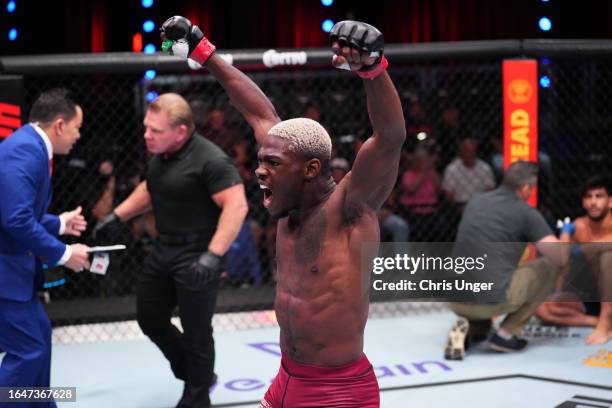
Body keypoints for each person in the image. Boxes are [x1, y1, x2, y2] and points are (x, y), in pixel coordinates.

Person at [160, 16, 405, 407]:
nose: (259, 170)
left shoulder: (350, 210)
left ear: (310, 170)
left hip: (338, 391)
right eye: (261, 160)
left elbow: (390, 139)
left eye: (272, 163)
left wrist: (373, 70)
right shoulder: (289, 190)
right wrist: (205, 53)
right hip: (286, 377)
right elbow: (259, 114)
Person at [93, 93, 248, 408]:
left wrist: (213, 254)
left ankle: (196, 396)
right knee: (150, 318)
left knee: (196, 331)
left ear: (180, 131)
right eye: (146, 128)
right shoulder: (159, 156)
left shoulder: (210, 159)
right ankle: (197, 374)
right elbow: (150, 188)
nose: (147, 135)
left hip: (198, 253)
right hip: (165, 249)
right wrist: (117, 215)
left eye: (155, 130)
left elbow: (237, 205)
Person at [0, 88, 91, 408]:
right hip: (5, 275)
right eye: (78, 128)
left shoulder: (29, 147)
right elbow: (16, 219)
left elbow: (16, 212)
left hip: (13, 274)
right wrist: (64, 254)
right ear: (60, 124)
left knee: (39, 339)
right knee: (27, 350)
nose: (79, 136)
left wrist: (60, 224)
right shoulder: (26, 150)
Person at [445, 161, 570, 360]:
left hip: (454, 298)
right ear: (527, 187)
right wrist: (565, 234)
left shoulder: (475, 201)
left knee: (483, 294)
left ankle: (469, 328)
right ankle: (506, 334)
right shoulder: (525, 212)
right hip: (489, 299)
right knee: (550, 265)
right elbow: (559, 256)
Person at [536, 176, 612, 345]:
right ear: (583, 203)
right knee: (542, 308)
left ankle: (605, 323)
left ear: (610, 201)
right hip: (592, 295)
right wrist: (565, 235)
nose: (593, 202)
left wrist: (582, 247)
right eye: (588, 197)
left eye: (599, 196)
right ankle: (596, 322)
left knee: (608, 257)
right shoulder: (579, 226)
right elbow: (562, 261)